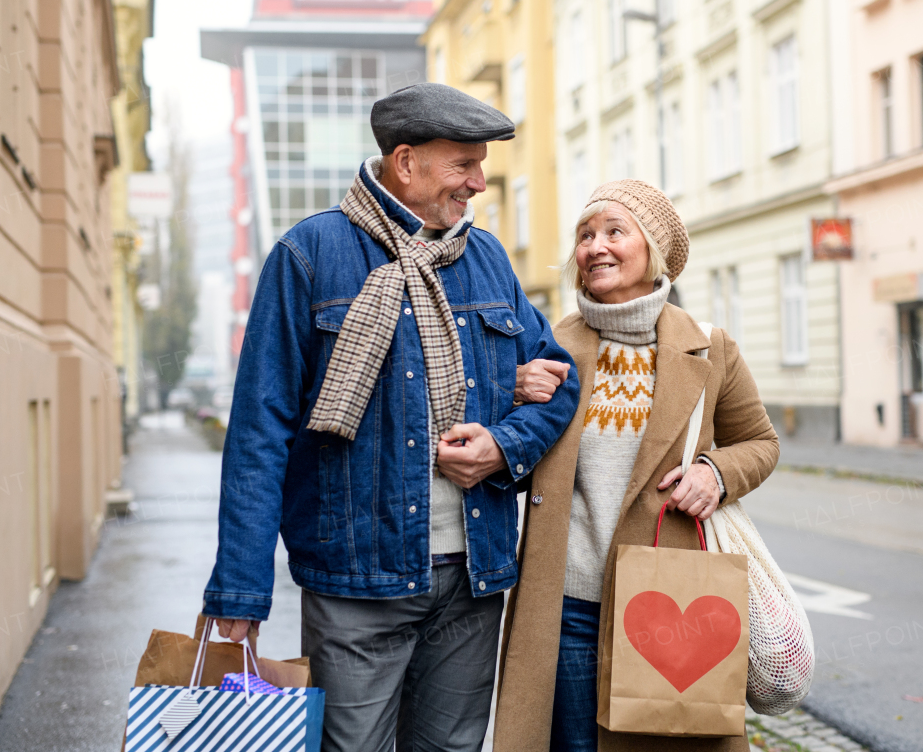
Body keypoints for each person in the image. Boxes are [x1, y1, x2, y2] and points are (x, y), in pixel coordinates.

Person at [202, 83, 580, 752]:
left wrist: (502, 443)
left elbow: (558, 378)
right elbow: (261, 430)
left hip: (472, 575)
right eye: (464, 163)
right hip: (354, 577)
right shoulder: (309, 255)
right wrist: (240, 587)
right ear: (406, 163)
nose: (478, 182)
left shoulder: (485, 258)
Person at [494, 179, 780, 752]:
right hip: (568, 602)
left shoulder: (710, 347)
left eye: (614, 232)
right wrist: (514, 395)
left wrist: (715, 475)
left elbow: (759, 443)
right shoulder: (547, 347)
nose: (595, 246)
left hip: (673, 600)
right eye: (585, 235)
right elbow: (509, 462)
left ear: (652, 251)